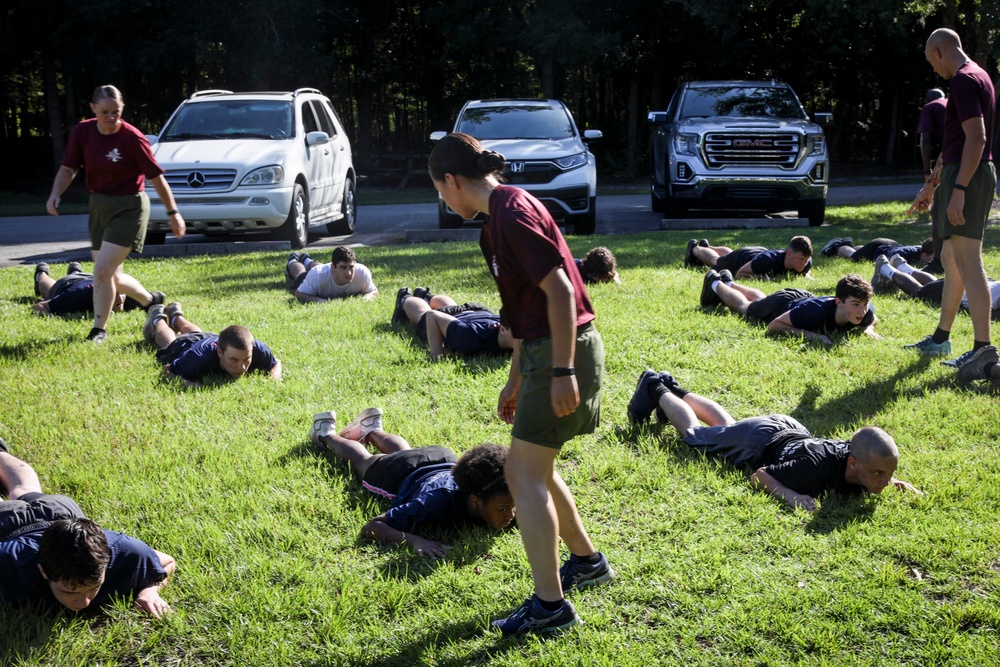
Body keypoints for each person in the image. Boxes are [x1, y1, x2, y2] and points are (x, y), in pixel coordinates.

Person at [429, 133, 613, 636]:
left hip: (563, 348)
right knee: (538, 467)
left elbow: (558, 290)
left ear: (452, 180)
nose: (443, 201)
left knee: (521, 474)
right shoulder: (496, 224)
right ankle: (588, 563)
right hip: (541, 352)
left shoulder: (511, 212)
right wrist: (517, 375)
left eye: (440, 191)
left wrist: (561, 369)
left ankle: (551, 607)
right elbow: (520, 308)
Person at [626, 371, 922, 512]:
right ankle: (655, 386)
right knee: (696, 438)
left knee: (728, 428)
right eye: (880, 474)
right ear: (854, 464)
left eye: (890, 473)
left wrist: (890, 481)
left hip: (789, 427)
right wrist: (790, 495)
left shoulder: (858, 459)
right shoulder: (813, 470)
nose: (885, 480)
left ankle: (674, 388)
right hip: (761, 441)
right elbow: (760, 475)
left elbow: (867, 457)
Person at [45, 85, 185, 343]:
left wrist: (173, 212)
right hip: (99, 205)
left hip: (129, 207)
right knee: (113, 275)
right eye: (104, 112)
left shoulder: (132, 138)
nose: (111, 118)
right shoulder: (82, 132)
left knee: (101, 271)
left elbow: (156, 178)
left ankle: (99, 329)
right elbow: (68, 168)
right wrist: (56, 193)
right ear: (93, 109)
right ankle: (150, 300)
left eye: (116, 112)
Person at [0, 437, 175, 616]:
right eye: (69, 591)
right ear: (43, 571)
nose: (84, 601)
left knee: (23, 489)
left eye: (94, 587)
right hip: (6, 525)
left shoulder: (123, 551)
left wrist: (150, 591)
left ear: (106, 563)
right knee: (21, 491)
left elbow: (168, 561)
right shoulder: (7, 563)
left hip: (60, 513)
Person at [309, 408, 514, 556]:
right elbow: (373, 526)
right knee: (365, 461)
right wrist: (417, 541)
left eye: (514, 508)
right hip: (400, 473)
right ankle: (325, 433)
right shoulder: (436, 501)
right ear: (476, 501)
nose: (511, 516)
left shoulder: (495, 491)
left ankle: (372, 429)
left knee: (407, 452)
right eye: (504, 509)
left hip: (442, 458)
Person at [907, 29, 996, 368]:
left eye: (932, 60)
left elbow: (977, 138)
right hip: (961, 172)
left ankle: (983, 349)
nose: (933, 69)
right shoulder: (977, 75)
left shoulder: (963, 80)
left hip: (968, 178)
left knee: (968, 260)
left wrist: (958, 190)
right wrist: (931, 185)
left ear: (939, 51)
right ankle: (942, 339)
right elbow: (954, 141)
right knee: (950, 256)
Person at [700, 270, 878, 345]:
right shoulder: (815, 311)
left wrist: (868, 328)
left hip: (802, 299)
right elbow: (774, 325)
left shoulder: (865, 313)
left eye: (864, 305)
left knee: (762, 300)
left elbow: (872, 317)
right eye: (855, 305)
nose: (861, 311)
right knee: (748, 308)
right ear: (839, 301)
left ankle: (729, 282)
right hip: (784, 304)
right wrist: (813, 335)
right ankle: (714, 282)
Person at [143, 302, 282, 387]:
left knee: (197, 334)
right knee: (172, 343)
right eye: (234, 360)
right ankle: (157, 318)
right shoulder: (197, 358)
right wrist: (190, 384)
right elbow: (167, 371)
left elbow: (276, 363)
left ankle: (176, 316)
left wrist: (274, 377)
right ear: (220, 352)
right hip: (187, 346)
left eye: (247, 359)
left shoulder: (257, 349)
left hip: (208, 338)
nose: (242, 367)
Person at [391, 287, 513, 359]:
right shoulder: (469, 337)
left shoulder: (516, 337)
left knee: (453, 307)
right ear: (502, 330)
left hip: (480, 313)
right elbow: (432, 316)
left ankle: (426, 296)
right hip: (460, 318)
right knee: (423, 316)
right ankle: (405, 298)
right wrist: (437, 354)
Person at [871, 254, 1000, 319]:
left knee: (934, 285)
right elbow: (989, 314)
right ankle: (884, 268)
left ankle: (902, 266)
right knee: (920, 292)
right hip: (963, 294)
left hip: (978, 281)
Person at [31, 261, 152, 317]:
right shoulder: (76, 295)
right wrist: (52, 319)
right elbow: (41, 306)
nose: (120, 298)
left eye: (122, 293)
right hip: (69, 283)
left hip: (92, 277)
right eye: (114, 294)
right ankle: (41, 274)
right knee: (48, 288)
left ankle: (76, 269)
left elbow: (153, 299)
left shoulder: (129, 295)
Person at [684, 236, 812, 279]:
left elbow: (806, 271)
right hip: (742, 258)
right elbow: (740, 273)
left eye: (806, 259)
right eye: (801, 259)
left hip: (756, 254)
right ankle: (695, 248)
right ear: (789, 253)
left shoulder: (806, 262)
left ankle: (708, 246)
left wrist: (807, 275)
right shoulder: (767, 262)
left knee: (730, 253)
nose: (804, 263)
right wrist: (762, 278)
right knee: (717, 261)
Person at [918, 88, 948, 273]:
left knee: (937, 212)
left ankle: (938, 262)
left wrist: (927, 170)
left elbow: (925, 139)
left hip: (948, 161)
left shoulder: (930, 107)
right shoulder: (952, 105)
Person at [285, 246, 378, 303]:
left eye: (351, 267)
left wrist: (366, 298)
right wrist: (317, 300)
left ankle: (306, 259)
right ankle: (292, 259)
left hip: (322, 271)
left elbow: (373, 291)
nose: (349, 273)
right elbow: (299, 293)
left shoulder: (362, 272)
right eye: (343, 268)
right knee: (300, 274)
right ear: (332, 267)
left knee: (320, 266)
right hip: (313, 275)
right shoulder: (317, 275)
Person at [819, 237, 934, 266]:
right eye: (931, 258)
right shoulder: (906, 254)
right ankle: (836, 247)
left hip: (886, 245)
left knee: (863, 252)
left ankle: (848, 244)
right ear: (924, 255)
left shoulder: (924, 248)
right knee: (853, 257)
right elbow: (890, 262)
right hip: (877, 247)